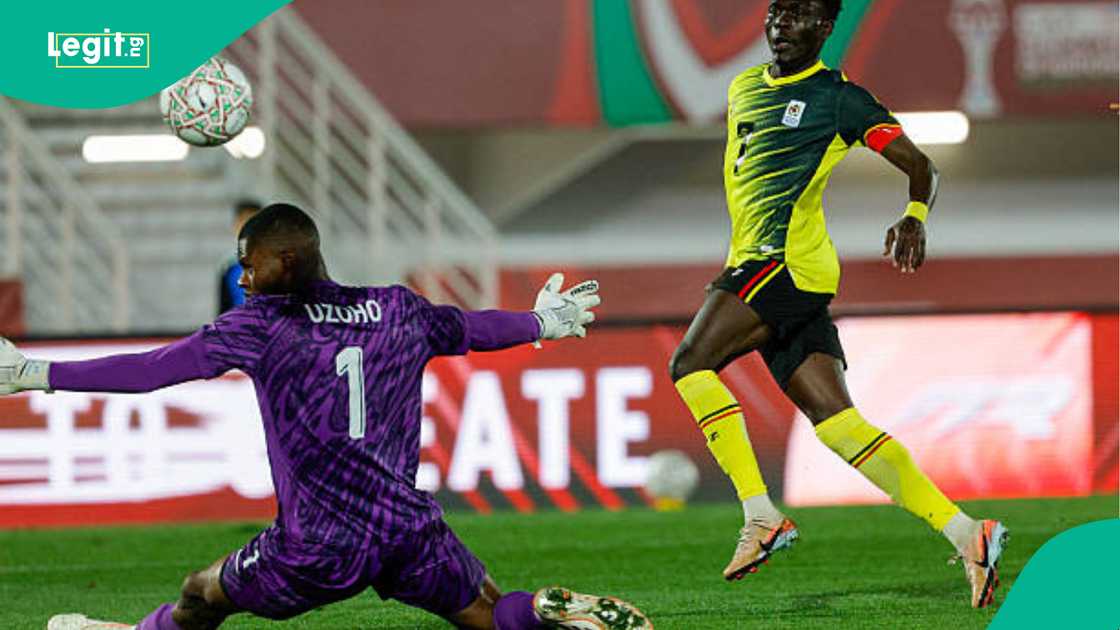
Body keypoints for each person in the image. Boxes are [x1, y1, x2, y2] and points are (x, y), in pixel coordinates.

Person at [0, 203, 651, 630]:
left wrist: (36, 373)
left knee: (202, 592)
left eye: (249, 264)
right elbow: (472, 327)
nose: (244, 279)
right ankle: (542, 611)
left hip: (319, 544)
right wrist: (543, 321)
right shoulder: (397, 310)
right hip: (406, 527)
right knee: (486, 615)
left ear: (281, 262)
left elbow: (152, 371)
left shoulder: (258, 327)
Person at [668, 0, 1007, 608]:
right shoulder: (744, 86)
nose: (780, 23)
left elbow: (921, 166)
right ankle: (968, 535)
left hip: (783, 266)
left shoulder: (839, 98)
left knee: (690, 365)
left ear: (825, 28)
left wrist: (913, 215)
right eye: (776, 11)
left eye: (798, 14)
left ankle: (759, 515)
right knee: (839, 425)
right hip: (766, 266)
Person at [217, 199, 262, 314]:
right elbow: (223, 311)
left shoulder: (275, 264)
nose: (249, 229)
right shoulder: (228, 268)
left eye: (255, 223)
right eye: (244, 222)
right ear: (235, 225)